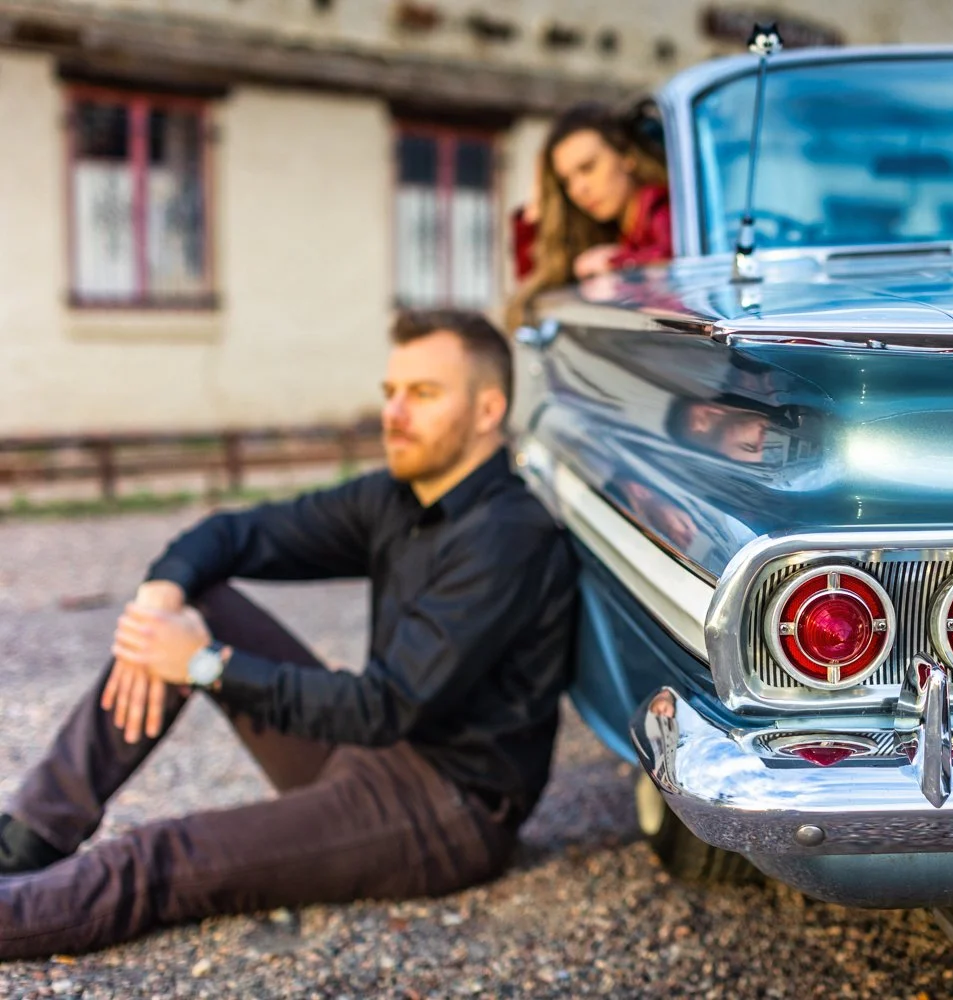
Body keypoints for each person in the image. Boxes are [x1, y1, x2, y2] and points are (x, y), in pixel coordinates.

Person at [0, 310, 577, 960]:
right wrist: (162, 593)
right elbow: (235, 535)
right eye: (391, 392)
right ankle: (26, 842)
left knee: (156, 857)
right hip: (367, 748)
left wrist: (204, 665)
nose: (394, 413)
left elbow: (387, 706)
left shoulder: (507, 536)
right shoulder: (395, 499)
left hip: (447, 806)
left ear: (487, 410)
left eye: (423, 394)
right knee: (200, 601)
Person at [505, 102, 672, 331]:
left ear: (627, 156)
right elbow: (537, 282)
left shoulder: (660, 208)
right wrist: (539, 201)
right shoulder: (609, 229)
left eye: (588, 167)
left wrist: (615, 262)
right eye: (566, 182)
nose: (578, 189)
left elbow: (675, 257)